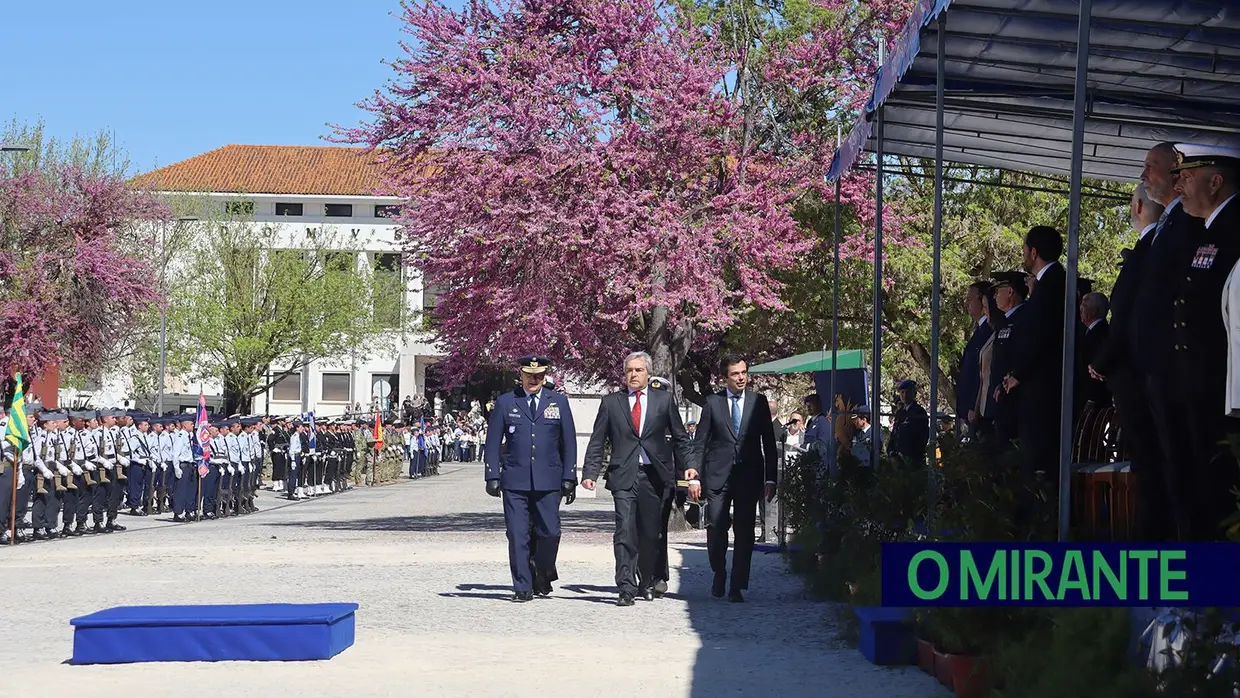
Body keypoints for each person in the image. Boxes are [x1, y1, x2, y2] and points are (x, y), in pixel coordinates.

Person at [1133, 142, 1207, 540]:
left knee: (1186, 466)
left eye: (1151, 167)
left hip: (1178, 366)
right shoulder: (1170, 224)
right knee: (1170, 465)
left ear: (1178, 177)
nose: (1144, 175)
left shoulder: (1190, 223)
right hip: (1159, 367)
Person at [583, 351, 694, 606]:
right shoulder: (612, 403)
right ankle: (625, 586)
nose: (633, 375)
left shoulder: (663, 401)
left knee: (650, 533)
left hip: (654, 476)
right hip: (623, 475)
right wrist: (590, 473)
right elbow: (598, 440)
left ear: (648, 373)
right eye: (629, 370)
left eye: (638, 370)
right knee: (624, 531)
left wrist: (689, 467)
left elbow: (680, 437)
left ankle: (647, 581)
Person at [1170, 144, 1240, 540]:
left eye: (1188, 176)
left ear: (1216, 182)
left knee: (1219, 488)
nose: (1178, 183)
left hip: (1222, 384)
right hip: (1198, 381)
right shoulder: (1212, 228)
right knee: (1202, 482)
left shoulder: (1234, 227)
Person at [1090, 183, 1168, 540]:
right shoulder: (1152, 247)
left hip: (1140, 378)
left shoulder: (1152, 248)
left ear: (1138, 206)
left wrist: (1103, 361)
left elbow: (1126, 318)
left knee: (1152, 468)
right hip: (1140, 376)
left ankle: (1151, 545)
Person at [484, 355, 578, 602]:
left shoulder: (557, 402)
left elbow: (568, 442)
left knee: (550, 532)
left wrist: (570, 476)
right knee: (517, 534)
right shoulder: (506, 402)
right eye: (529, 375)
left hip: (549, 480)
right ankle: (522, 586)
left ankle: (540, 567)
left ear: (545, 375)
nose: (534, 379)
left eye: (538, 375)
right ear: (521, 375)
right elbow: (493, 442)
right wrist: (492, 474)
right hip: (515, 480)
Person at [687, 355, 777, 603]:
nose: (741, 377)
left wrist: (771, 479)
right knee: (716, 526)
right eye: (735, 374)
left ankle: (737, 584)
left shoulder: (758, 402)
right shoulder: (713, 403)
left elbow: (768, 442)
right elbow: (700, 443)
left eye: (744, 373)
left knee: (745, 531)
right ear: (725, 377)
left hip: (748, 476)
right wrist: (694, 474)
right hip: (717, 476)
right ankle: (719, 571)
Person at [1002, 226, 1067, 487]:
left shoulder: (1052, 285)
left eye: (1025, 249)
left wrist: (1019, 374)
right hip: (1038, 386)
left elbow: (1040, 336)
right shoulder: (1045, 285)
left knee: (1039, 464)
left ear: (1034, 252)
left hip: (1043, 388)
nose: (1024, 254)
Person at [647, 375, 688, 596]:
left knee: (659, 532)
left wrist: (681, 487)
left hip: (665, 483)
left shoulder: (672, 423)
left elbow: (681, 454)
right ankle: (640, 574)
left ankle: (659, 576)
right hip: (641, 481)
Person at [988, 271, 1029, 453]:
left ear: (1010, 292)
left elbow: (1020, 355)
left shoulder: (1023, 318)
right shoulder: (1005, 321)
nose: (995, 296)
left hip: (1015, 400)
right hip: (1002, 399)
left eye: (999, 291)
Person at [958, 281, 994, 437]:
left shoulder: (989, 330)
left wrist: (975, 405)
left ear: (983, 301)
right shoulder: (979, 330)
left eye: (970, 299)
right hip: (969, 411)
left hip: (978, 411)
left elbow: (983, 371)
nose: (967, 303)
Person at [1076, 292, 1112, 412]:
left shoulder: (1101, 333)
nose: (1080, 308)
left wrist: (1092, 398)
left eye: (1084, 304)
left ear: (1094, 311)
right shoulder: (1088, 331)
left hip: (1094, 399)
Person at [888, 379, 929, 466]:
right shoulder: (900, 412)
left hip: (912, 459)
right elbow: (894, 433)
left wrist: (909, 455)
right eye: (902, 392)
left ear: (914, 394)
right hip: (897, 459)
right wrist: (891, 452)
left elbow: (922, 437)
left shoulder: (919, 412)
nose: (905, 395)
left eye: (908, 392)